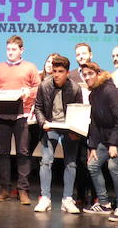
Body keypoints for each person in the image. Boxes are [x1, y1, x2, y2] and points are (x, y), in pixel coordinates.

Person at [0, 35, 40, 204]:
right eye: (8, 49)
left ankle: (23, 190)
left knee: (23, 153)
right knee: (3, 153)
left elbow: (37, 87)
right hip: (2, 114)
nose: (10, 52)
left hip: (21, 115)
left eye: (14, 49)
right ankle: (5, 189)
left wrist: (28, 92)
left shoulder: (30, 67)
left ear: (21, 50)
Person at [81, 62, 118, 222]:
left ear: (98, 73)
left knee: (113, 166)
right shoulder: (93, 95)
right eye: (84, 75)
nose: (87, 77)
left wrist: (113, 144)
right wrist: (92, 147)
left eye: (90, 73)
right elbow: (95, 123)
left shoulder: (110, 91)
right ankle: (104, 203)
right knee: (92, 164)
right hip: (107, 137)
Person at [33, 55, 83, 214]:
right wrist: (43, 123)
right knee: (46, 161)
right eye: (54, 71)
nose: (56, 74)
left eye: (60, 71)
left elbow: (79, 111)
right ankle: (45, 198)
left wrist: (75, 130)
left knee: (71, 163)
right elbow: (38, 107)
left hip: (68, 128)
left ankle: (67, 199)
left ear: (67, 72)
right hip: (51, 126)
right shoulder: (44, 85)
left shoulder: (75, 88)